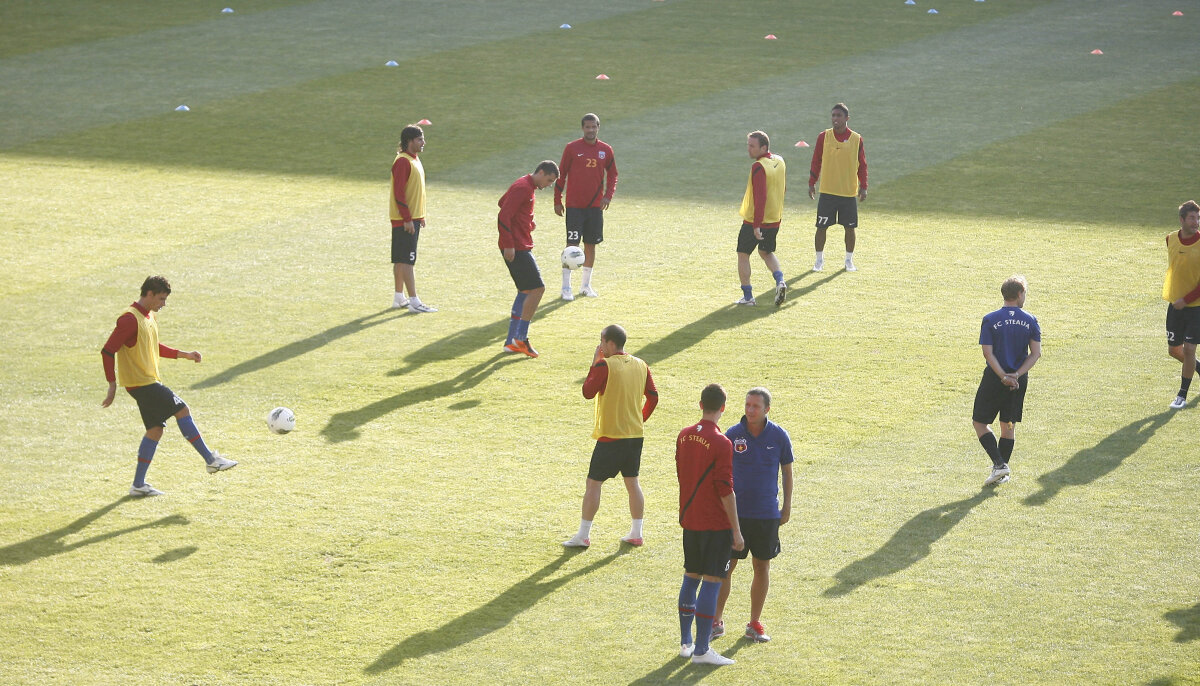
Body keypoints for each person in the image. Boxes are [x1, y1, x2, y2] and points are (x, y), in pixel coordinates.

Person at [100, 276, 237, 497]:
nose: (163, 304)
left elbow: (153, 345)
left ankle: (138, 485)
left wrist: (185, 355)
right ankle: (211, 460)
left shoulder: (148, 316)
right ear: (150, 294)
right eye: (161, 299)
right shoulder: (128, 320)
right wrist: (112, 384)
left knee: (155, 430)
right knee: (182, 409)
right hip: (142, 383)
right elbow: (107, 350)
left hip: (145, 382)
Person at [562, 325, 658, 548]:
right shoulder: (641, 365)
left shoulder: (605, 365)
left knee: (593, 483)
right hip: (635, 436)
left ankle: (583, 535)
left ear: (611, 344)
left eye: (602, 342)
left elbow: (587, 392)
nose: (600, 346)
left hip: (610, 437)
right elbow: (653, 397)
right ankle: (637, 533)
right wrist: (639, 419)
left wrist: (595, 362)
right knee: (632, 482)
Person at [712, 387, 793, 643]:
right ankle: (716, 621)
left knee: (762, 565)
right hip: (735, 515)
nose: (750, 410)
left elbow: (788, 472)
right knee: (726, 567)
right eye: (747, 405)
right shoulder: (732, 435)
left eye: (756, 406)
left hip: (767, 514)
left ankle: (754, 622)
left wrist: (787, 506)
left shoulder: (779, 436)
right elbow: (719, 475)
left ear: (767, 409)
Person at [675, 384, 743, 667]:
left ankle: (686, 643)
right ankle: (702, 650)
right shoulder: (722, 443)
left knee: (691, 577)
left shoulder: (683, 436)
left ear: (700, 404)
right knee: (713, 581)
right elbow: (725, 488)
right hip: (714, 524)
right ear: (723, 408)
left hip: (690, 520)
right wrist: (737, 532)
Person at [972, 275, 1041, 486]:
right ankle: (1001, 470)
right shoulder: (1030, 320)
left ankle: (999, 466)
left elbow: (987, 353)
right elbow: (1035, 353)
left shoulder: (990, 319)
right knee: (1008, 426)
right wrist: (1016, 375)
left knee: (980, 422)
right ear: (1020, 294)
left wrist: (1002, 376)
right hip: (1018, 382)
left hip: (994, 378)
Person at [498, 161, 559, 358]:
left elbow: (503, 202)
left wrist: (526, 221)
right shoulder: (523, 187)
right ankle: (521, 338)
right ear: (540, 172)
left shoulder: (525, 185)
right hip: (517, 247)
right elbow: (503, 214)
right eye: (548, 180)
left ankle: (511, 342)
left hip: (519, 244)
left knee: (525, 291)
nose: (549, 185)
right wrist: (509, 243)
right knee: (538, 289)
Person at [555, 113, 618, 301]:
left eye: (594, 127)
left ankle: (585, 285)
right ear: (582, 128)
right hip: (574, 206)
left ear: (598, 127)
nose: (591, 130)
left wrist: (608, 196)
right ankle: (566, 287)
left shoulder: (606, 150)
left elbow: (613, 175)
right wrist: (557, 200)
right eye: (587, 127)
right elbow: (561, 174)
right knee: (571, 246)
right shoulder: (572, 148)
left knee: (591, 245)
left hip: (595, 208)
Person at [808, 103, 868, 273]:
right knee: (821, 227)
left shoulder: (856, 139)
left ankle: (849, 261)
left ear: (847, 118)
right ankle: (819, 260)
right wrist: (812, 182)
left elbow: (862, 165)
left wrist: (863, 187)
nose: (835, 119)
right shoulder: (823, 137)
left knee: (850, 228)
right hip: (827, 192)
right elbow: (816, 160)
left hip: (848, 193)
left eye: (839, 116)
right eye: (833, 115)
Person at [735, 131, 788, 307]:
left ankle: (748, 297)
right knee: (766, 252)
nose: (749, 149)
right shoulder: (779, 161)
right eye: (748, 145)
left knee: (743, 255)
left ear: (763, 147)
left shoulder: (758, 167)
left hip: (754, 221)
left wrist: (756, 225)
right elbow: (783, 189)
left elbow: (760, 197)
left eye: (752, 146)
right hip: (775, 219)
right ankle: (780, 281)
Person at [389, 124, 437, 313]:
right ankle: (414, 302)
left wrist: (420, 215)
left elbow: (414, 191)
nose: (423, 142)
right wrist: (408, 218)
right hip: (405, 220)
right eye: (420, 139)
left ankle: (399, 297)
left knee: (400, 259)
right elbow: (399, 192)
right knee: (408, 260)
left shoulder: (412, 159)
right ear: (409, 141)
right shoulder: (403, 162)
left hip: (411, 218)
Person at [1163, 200, 1200, 409]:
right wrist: (1178, 299)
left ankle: (1182, 395)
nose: (1196, 222)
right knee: (1174, 350)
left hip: (1196, 308)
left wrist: (1185, 300)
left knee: (1189, 349)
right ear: (1182, 220)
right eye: (1192, 218)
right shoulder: (1170, 240)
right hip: (1175, 306)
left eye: (1198, 218)